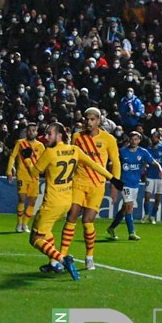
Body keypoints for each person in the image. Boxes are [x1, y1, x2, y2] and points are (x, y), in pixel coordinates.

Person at [28, 122, 123, 280]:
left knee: (36, 238)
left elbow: (33, 173)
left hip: (51, 202)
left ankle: (62, 259)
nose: (46, 137)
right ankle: (54, 263)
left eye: (49, 133)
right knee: (47, 232)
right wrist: (112, 179)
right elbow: (94, 165)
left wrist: (28, 157)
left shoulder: (49, 152)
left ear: (59, 135)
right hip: (66, 201)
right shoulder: (75, 150)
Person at [59, 107, 121, 271]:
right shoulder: (77, 137)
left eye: (93, 119)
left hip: (97, 185)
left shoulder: (109, 139)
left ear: (99, 121)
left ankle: (89, 256)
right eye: (87, 119)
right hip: (78, 182)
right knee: (71, 215)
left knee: (87, 221)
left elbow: (115, 163)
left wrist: (115, 185)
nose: (89, 122)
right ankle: (62, 255)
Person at [107, 132, 162, 240]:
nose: (134, 141)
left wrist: (160, 169)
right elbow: (112, 163)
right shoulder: (122, 151)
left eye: (136, 139)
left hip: (135, 184)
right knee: (129, 206)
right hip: (124, 183)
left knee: (124, 209)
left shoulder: (143, 152)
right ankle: (131, 233)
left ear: (139, 140)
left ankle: (112, 228)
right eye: (132, 139)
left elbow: (154, 162)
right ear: (129, 139)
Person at [6, 122, 45, 233]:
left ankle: (25, 224)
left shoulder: (40, 146)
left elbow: (43, 160)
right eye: (29, 130)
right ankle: (19, 223)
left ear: (36, 132)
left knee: (32, 202)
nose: (31, 132)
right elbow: (12, 156)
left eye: (33, 130)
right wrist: (9, 170)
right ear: (26, 132)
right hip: (22, 175)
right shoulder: (20, 143)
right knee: (22, 199)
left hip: (34, 177)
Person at [141, 129, 162, 224]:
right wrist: (144, 167)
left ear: (159, 139)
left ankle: (153, 216)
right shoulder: (148, 150)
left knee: (158, 198)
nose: (153, 139)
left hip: (160, 176)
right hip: (150, 175)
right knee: (147, 196)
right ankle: (146, 214)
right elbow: (144, 161)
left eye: (155, 138)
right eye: (152, 138)